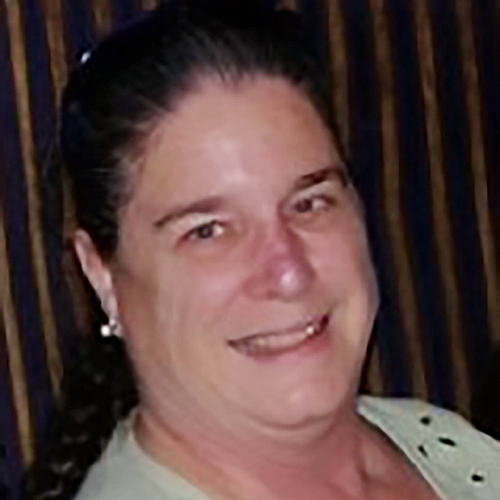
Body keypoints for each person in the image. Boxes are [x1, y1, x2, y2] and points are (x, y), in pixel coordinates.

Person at [23, 2, 500, 500]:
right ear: (101, 275)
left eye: (309, 203)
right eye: (208, 231)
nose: (289, 272)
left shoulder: (442, 443)